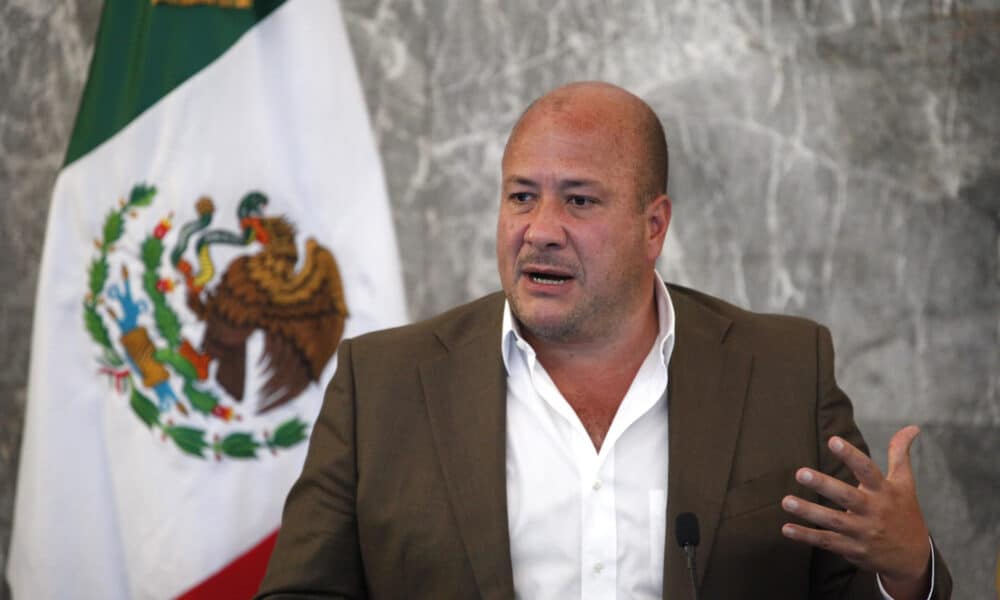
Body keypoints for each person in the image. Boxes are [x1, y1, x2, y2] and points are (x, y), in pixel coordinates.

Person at [257, 82, 951, 599]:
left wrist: (907, 570)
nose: (541, 228)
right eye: (521, 196)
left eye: (579, 200)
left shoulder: (784, 374)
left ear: (655, 226)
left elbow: (853, 585)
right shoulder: (382, 385)